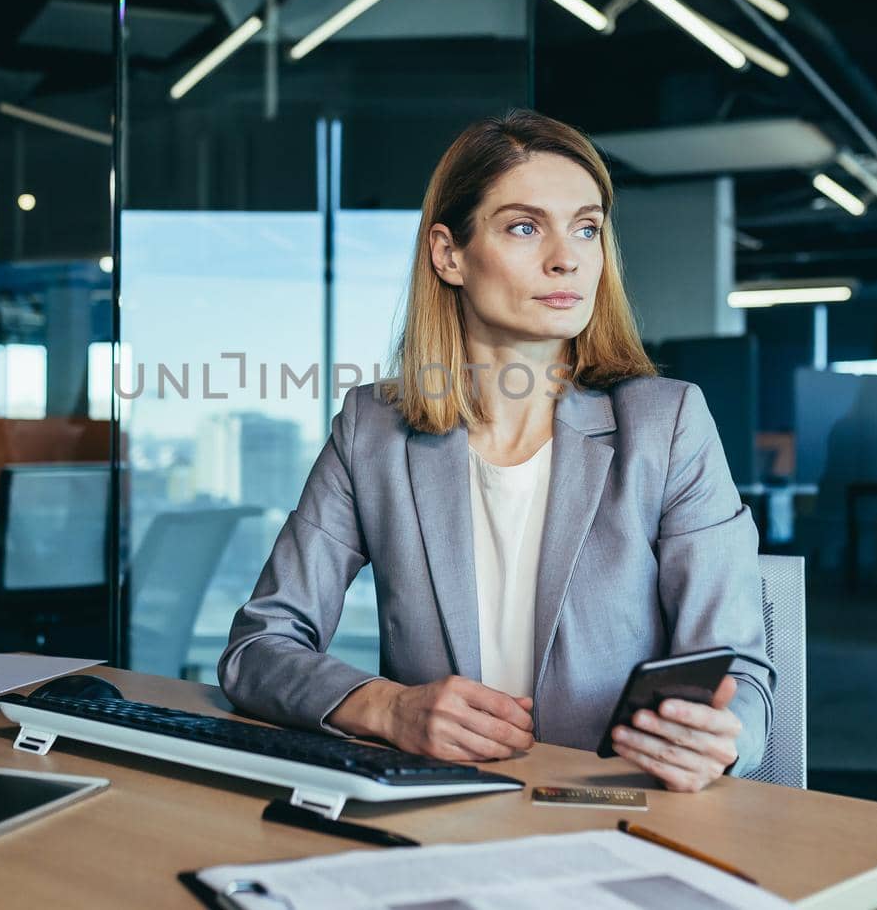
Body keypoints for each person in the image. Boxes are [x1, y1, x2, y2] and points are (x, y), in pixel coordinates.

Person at [218, 109, 774, 791]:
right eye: (523, 226)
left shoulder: (667, 423)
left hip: (624, 812)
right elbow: (258, 648)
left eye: (586, 227)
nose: (566, 256)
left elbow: (740, 673)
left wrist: (724, 738)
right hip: (437, 813)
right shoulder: (373, 429)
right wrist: (388, 707)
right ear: (449, 254)